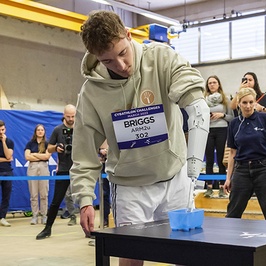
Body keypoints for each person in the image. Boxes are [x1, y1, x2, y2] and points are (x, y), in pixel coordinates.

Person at [70, 11, 209, 266]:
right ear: (96, 58)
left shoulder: (161, 58)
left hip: (175, 177)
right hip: (130, 186)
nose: (121, 66)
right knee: (132, 257)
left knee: (188, 252)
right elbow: (83, 152)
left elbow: (196, 102)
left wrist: (196, 106)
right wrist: (85, 200)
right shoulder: (91, 92)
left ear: (129, 35)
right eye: (109, 61)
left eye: (123, 53)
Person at [224, 87, 266, 220]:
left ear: (255, 102)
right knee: (232, 213)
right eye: (244, 103)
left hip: (264, 169)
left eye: (250, 102)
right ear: (239, 104)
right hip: (241, 170)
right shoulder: (234, 124)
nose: (248, 106)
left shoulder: (265, 119)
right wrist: (228, 178)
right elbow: (232, 152)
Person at [36, 104, 77, 240]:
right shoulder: (57, 130)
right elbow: (49, 148)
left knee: (85, 200)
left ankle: (89, 230)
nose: (71, 119)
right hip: (64, 169)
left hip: (79, 168)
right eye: (68, 116)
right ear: (63, 115)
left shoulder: (81, 128)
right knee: (56, 201)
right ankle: (47, 228)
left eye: (73, 116)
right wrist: (57, 148)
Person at [204, 75, 233, 198]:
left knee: (221, 159)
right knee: (209, 159)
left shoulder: (226, 99)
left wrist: (222, 115)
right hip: (207, 130)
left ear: (218, 84)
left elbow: (232, 117)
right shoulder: (203, 99)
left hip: (222, 129)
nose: (212, 85)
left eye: (214, 82)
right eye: (210, 83)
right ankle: (209, 187)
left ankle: (222, 187)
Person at [24, 124, 51, 225]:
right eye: (38, 130)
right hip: (32, 168)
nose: (40, 131)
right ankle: (34, 215)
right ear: (35, 132)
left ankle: (44, 215)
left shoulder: (47, 144)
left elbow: (47, 156)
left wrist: (34, 154)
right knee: (34, 194)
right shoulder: (30, 144)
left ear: (44, 132)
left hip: (44, 167)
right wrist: (40, 156)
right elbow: (27, 156)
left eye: (42, 130)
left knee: (44, 194)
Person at [0, 120, 14, 227]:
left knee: (6, 196)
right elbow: (8, 159)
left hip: (7, 172)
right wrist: (6, 159)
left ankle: (2, 217)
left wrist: (4, 142)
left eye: (3, 129)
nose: (1, 132)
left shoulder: (9, 142)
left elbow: (9, 156)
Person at [98, 141, 110, 227]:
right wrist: (100, 150)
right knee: (104, 193)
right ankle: (105, 219)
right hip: (104, 165)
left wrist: (108, 151)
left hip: (117, 164)